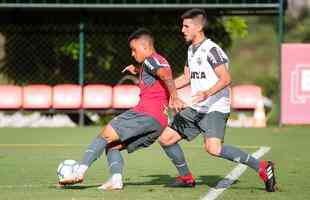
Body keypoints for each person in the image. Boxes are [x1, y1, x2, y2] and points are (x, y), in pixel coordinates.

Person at [158, 8, 277, 192]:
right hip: (197, 108)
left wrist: (207, 93)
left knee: (213, 148)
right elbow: (187, 77)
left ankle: (262, 167)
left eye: (186, 26)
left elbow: (226, 78)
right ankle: (186, 178)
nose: (182, 30)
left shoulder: (212, 50)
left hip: (215, 108)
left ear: (198, 27)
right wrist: (165, 88)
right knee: (166, 138)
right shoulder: (191, 50)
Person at [59, 28, 186, 190]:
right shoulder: (156, 61)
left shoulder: (150, 59)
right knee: (113, 146)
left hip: (145, 113)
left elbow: (165, 74)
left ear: (145, 47)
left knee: (104, 135)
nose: (132, 54)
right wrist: (138, 70)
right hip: (159, 121)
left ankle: (78, 171)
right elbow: (158, 73)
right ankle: (116, 179)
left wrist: (175, 96)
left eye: (134, 49)